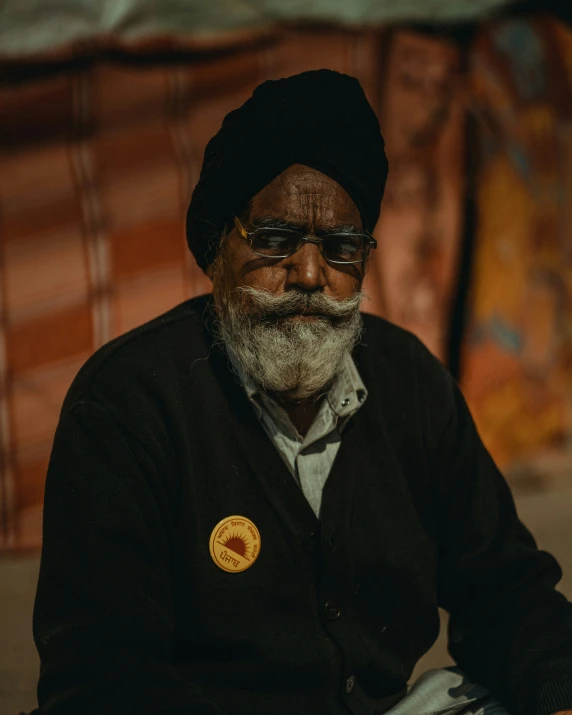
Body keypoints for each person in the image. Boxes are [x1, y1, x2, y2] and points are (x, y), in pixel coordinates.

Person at [32, 70, 572, 715]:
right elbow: (99, 675)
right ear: (216, 250)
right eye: (275, 241)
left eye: (342, 248)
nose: (311, 275)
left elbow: (506, 590)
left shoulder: (410, 382)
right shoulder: (128, 404)